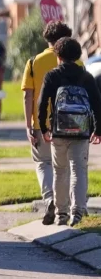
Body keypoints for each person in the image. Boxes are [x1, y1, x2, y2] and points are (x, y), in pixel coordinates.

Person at [38, 37, 101, 226]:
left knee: (60, 171)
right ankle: (78, 211)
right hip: (81, 132)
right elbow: (97, 104)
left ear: (58, 56)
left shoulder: (52, 76)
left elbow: (42, 104)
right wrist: (97, 130)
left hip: (59, 131)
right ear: (77, 56)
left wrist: (43, 128)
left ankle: (61, 213)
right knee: (79, 170)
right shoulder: (86, 77)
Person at [21, 21, 76, 225]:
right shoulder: (76, 62)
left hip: (41, 123)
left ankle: (50, 199)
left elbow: (28, 96)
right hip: (71, 122)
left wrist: (29, 125)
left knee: (43, 163)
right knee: (67, 165)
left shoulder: (34, 62)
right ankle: (67, 206)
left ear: (47, 39)